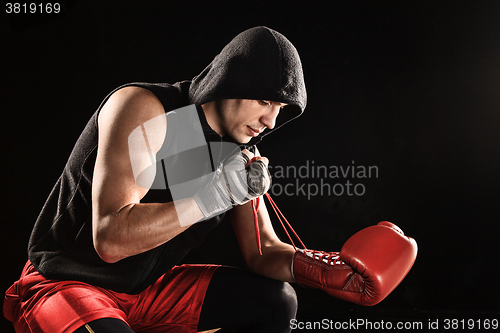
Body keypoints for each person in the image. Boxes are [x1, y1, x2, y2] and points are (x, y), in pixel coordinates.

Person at [4, 26, 418, 333]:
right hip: (67, 282)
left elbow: (262, 252)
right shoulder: (146, 109)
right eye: (264, 101)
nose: (271, 120)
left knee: (275, 302)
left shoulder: (239, 154)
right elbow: (110, 239)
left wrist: (327, 272)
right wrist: (212, 193)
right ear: (231, 82)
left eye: (280, 109)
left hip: (148, 291)